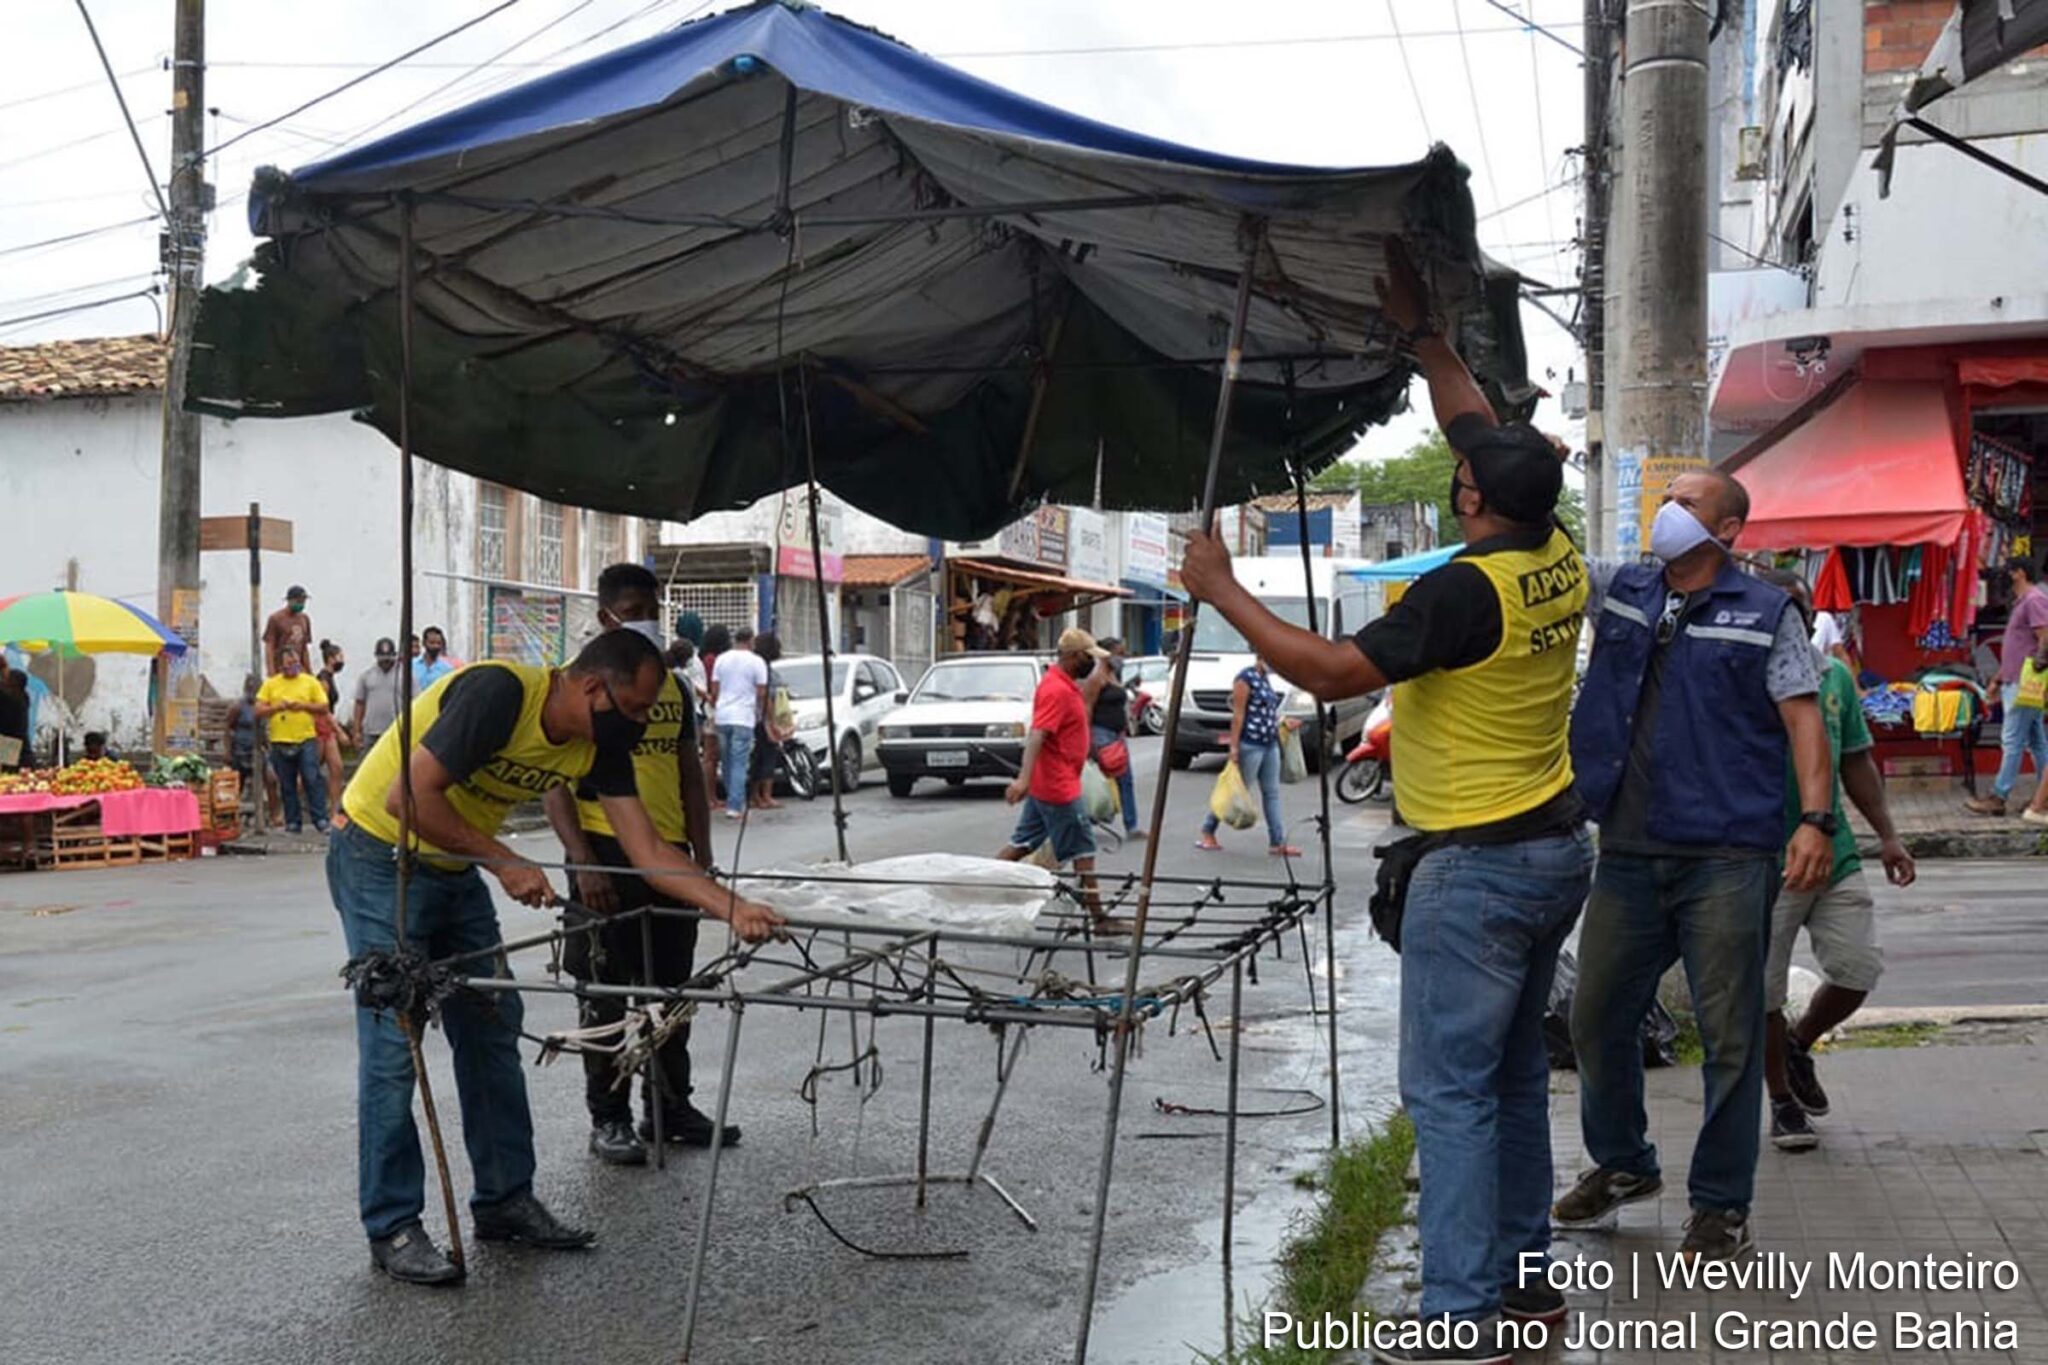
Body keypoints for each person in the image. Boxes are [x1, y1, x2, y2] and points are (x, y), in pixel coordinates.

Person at [1181, 238, 1594, 1361]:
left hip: (1478, 868)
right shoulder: (1552, 549)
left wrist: (1223, 591)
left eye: (1464, 475)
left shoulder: (1464, 593)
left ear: (1473, 502)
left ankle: (1457, 1318)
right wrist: (1423, 337)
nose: (1460, 470)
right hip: (1553, 849)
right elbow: (1476, 428)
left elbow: (1326, 674)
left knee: (1451, 1096)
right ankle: (1525, 1286)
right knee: (1511, 1079)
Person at [328, 630, 782, 1285]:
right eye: (633, 708)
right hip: (379, 853)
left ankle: (505, 1198)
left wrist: (731, 907)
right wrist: (505, 860)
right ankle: (393, 1223)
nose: (639, 724)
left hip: (451, 866)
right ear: (593, 687)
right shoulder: (499, 693)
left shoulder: (600, 742)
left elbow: (648, 850)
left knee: (491, 1024)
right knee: (395, 1043)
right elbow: (408, 798)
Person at [1557, 469, 1834, 1266]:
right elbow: (1545, 556)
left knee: (1731, 1037)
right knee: (1595, 1016)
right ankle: (1623, 1162)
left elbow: (1803, 720)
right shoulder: (1622, 588)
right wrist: (1525, 466)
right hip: (1628, 849)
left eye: (1686, 503)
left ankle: (1720, 1205)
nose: (1668, 512)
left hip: (1727, 855)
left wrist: (1815, 820)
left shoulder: (1767, 611)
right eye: (1667, 499)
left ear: (1730, 528)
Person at [543, 565, 734, 1166]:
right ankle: (610, 1117)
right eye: (633, 610)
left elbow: (688, 773)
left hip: (670, 856)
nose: (647, 620)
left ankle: (670, 1107)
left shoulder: (670, 688)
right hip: (603, 856)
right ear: (606, 616)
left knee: (672, 992)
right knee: (604, 994)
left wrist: (703, 856)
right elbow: (554, 784)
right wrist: (583, 862)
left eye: (654, 610)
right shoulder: (580, 686)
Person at [1758, 571, 1916, 1150]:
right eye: (1781, 610)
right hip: (1765, 861)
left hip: (1835, 854)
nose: (1793, 620)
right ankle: (1782, 1101)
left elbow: (1855, 761)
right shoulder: (1741, 676)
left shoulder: (1835, 678)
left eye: (1800, 609)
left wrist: (1889, 836)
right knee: (1763, 993)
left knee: (1857, 970)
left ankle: (1798, 1045)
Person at [995, 628, 1111, 927]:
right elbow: (1038, 735)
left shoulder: (1064, 685)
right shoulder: (1056, 689)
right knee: (1083, 851)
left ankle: (978, 887)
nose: (1092, 664)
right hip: (1058, 788)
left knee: (1022, 843)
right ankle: (1099, 920)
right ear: (1074, 657)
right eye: (1088, 658)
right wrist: (1023, 779)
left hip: (1049, 783)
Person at [1964, 555, 2048, 817]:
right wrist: (1998, 679)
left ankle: (1999, 796)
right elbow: (2017, 649)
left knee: (2012, 740)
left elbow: (2045, 636)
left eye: (2009, 571)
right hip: (2016, 680)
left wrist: (2038, 668)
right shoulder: (2023, 602)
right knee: (2036, 741)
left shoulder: (2033, 600)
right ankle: (2043, 796)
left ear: (2019, 573)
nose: (2005, 576)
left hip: (2025, 683)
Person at [1193, 656, 1301, 858]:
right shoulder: (1244, 679)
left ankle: (1277, 842)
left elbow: (1266, 712)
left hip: (1269, 742)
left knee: (1272, 793)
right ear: (1260, 655)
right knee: (1235, 790)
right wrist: (1234, 747)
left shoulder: (1264, 679)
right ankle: (1208, 830)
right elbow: (1238, 715)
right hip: (1251, 743)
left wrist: (1283, 723)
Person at [255, 648, 332, 833]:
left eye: (296, 663)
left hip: (306, 738)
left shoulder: (310, 682)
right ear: (281, 665)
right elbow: (258, 710)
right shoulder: (271, 684)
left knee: (312, 778)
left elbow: (324, 706)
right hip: (280, 740)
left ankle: (320, 818)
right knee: (286, 783)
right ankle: (293, 821)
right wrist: (276, 707)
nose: (293, 667)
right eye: (289, 664)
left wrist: (303, 706)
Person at [709, 626, 768, 821]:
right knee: (740, 763)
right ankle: (735, 806)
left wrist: (717, 705)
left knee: (727, 762)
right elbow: (761, 692)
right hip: (743, 717)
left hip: (723, 716)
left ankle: (732, 800)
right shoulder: (757, 661)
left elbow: (715, 689)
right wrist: (759, 712)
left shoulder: (721, 659)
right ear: (751, 640)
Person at [1089, 638, 1144, 841]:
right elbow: (1087, 708)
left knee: (1125, 779)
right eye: (1119, 653)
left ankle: (1132, 825)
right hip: (1101, 733)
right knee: (1099, 779)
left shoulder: (1114, 675)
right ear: (1106, 654)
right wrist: (1089, 740)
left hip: (1117, 734)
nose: (1122, 658)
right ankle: (1088, 818)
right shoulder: (1096, 678)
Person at [748, 632, 792, 812]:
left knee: (758, 757)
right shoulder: (764, 670)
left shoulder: (756, 667)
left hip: (754, 718)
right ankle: (765, 795)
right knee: (768, 756)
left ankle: (755, 796)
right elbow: (766, 697)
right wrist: (772, 721)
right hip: (763, 718)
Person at [315, 641, 352, 825]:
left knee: (337, 768)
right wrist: (339, 731)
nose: (342, 661)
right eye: (339, 657)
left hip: (328, 727)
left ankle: (334, 811)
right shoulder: (323, 680)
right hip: (320, 726)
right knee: (311, 771)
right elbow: (323, 709)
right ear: (330, 659)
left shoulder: (330, 677)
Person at [352, 638, 405, 757]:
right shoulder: (366, 675)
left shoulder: (405, 675)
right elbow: (359, 704)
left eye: (388, 658)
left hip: (396, 731)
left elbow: (415, 701)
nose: (385, 661)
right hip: (371, 732)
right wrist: (356, 731)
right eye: (382, 658)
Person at [698, 623, 732, 806]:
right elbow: (713, 685)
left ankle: (711, 797)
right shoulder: (712, 660)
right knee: (711, 755)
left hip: (712, 708)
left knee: (712, 755)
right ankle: (710, 797)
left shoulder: (706, 657)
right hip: (714, 710)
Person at [263, 585, 313, 677]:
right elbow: (269, 647)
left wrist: (309, 671)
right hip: (281, 669)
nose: (301, 604)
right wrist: (271, 672)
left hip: (299, 669)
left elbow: (304, 648)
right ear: (290, 600)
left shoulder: (304, 619)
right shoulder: (276, 618)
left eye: (303, 602)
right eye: (298, 601)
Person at [0, 661, 31, 770]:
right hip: (19, 744)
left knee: (9, 774)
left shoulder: (11, 698)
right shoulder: (24, 697)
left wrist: (3, 666)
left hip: (11, 744)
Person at [413, 626, 458, 691]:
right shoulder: (412, 666)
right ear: (424, 643)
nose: (435, 646)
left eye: (438, 643)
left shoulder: (447, 669)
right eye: (432, 643)